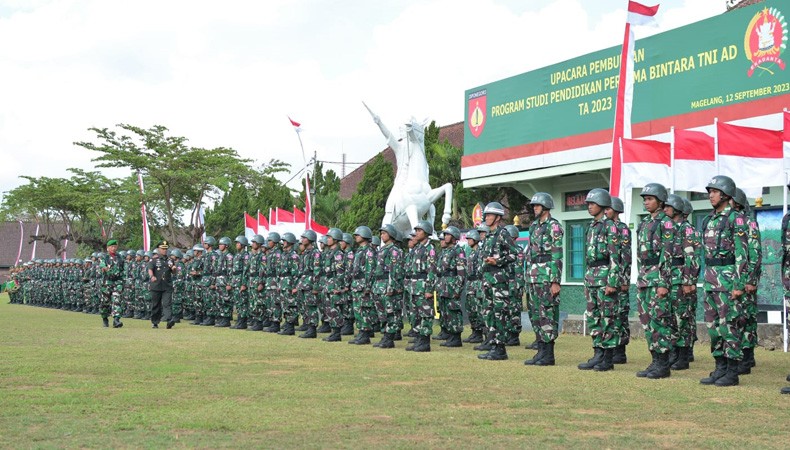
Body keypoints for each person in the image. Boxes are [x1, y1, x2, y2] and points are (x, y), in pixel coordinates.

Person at [699, 175, 748, 387]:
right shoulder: (709, 220)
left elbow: (742, 254)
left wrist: (739, 284)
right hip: (710, 279)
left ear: (726, 194)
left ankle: (732, 371)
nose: (711, 195)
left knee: (729, 325)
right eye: (710, 191)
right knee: (713, 326)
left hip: (728, 279)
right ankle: (720, 367)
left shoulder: (735, 219)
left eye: (715, 191)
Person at [576, 188, 620, 371]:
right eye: (588, 204)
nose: (589, 207)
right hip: (592, 277)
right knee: (594, 316)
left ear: (602, 205)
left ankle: (608, 358)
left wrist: (612, 282)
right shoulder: (591, 227)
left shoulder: (610, 226)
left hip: (604, 277)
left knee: (607, 317)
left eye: (592, 204)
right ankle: (597, 354)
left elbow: (615, 257)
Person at [635, 183, 674, 379]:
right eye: (645, 199)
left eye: (650, 199)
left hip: (658, 278)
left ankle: (663, 364)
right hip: (644, 278)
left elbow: (667, 254)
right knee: (647, 322)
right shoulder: (643, 223)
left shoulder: (665, 223)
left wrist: (663, 282)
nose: (646, 202)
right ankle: (654, 360)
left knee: (660, 321)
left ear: (660, 201)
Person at [524, 193, 563, 366]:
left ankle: (548, 354)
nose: (534, 208)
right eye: (533, 206)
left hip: (547, 276)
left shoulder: (553, 226)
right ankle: (540, 350)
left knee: (547, 313)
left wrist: (555, 281)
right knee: (535, 314)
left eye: (537, 205)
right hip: (533, 276)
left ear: (546, 207)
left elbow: (557, 255)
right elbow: (530, 254)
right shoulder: (534, 227)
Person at [477, 202, 519, 361]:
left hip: (499, 282)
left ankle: (500, 348)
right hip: (487, 280)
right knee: (488, 313)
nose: (486, 217)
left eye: (489, 215)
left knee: (499, 313)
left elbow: (514, 255)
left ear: (498, 217)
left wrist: (498, 261)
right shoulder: (488, 236)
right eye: (486, 215)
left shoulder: (503, 234)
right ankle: (493, 344)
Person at [731, 188, 761, 375]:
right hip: (732, 279)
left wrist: (750, 279)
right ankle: (740, 354)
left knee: (747, 318)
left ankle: (747, 356)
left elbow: (755, 253)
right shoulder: (729, 222)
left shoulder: (749, 223)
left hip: (747, 280)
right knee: (736, 317)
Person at [664, 194, 691, 370]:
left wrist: (688, 280)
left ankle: (683, 355)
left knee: (683, 318)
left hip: (681, 277)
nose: (665, 209)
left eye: (668, 207)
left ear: (677, 210)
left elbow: (691, 256)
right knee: (670, 318)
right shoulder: (668, 228)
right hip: (669, 278)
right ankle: (673, 352)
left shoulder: (687, 229)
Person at [607, 196, 632, 364]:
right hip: (609, 277)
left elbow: (625, 256)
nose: (606, 211)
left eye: (608, 208)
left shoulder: (622, 229)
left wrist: (624, 279)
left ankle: (620, 350)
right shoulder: (605, 227)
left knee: (620, 314)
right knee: (610, 314)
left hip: (620, 278)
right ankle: (612, 346)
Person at [405, 221, 436, 352]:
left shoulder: (430, 249)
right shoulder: (417, 249)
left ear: (426, 232)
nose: (416, 233)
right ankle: (418, 338)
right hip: (414, 286)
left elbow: (432, 270)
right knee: (415, 314)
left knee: (425, 314)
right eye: (416, 230)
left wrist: (429, 289)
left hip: (423, 286)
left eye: (419, 230)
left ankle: (425, 341)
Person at [372, 224, 404, 348]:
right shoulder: (382, 249)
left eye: (384, 233)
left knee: (390, 313)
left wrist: (391, 287)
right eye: (381, 233)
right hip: (379, 285)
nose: (382, 235)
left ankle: (389, 338)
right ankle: (385, 335)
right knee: (381, 314)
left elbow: (395, 270)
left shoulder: (394, 250)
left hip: (387, 285)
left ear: (390, 234)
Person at [434, 226, 466, 348]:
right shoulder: (445, 251)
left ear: (453, 238)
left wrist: (458, 288)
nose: (445, 237)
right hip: (444, 286)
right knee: (445, 311)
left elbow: (461, 271)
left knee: (454, 311)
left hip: (452, 286)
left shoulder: (458, 251)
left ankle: (456, 337)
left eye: (447, 235)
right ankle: (449, 334)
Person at [349, 226, 377, 345]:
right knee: (357, 309)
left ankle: (365, 334)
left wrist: (368, 286)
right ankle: (361, 331)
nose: (356, 237)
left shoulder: (369, 251)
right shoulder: (359, 250)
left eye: (358, 235)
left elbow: (370, 270)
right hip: (357, 284)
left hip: (363, 285)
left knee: (364, 309)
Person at [148, 240, 176, 329]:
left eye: (166, 249)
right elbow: (150, 269)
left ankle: (169, 320)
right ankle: (155, 322)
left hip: (167, 285)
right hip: (156, 285)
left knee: (167, 303)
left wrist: (174, 269)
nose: (164, 250)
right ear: (158, 249)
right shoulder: (154, 259)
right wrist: (152, 276)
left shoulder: (170, 260)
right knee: (156, 304)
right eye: (162, 248)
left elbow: (174, 272)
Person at [100, 239, 125, 328]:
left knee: (117, 300)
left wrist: (123, 280)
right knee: (105, 302)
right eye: (112, 247)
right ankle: (105, 318)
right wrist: (105, 268)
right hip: (107, 282)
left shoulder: (120, 257)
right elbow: (102, 265)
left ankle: (116, 320)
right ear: (108, 248)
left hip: (117, 282)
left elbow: (123, 269)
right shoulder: (105, 257)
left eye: (115, 246)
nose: (113, 248)